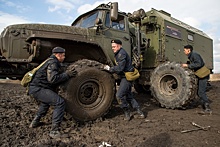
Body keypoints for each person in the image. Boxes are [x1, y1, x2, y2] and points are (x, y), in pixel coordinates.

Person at [28, 47, 77, 138]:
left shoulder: (50, 61)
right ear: (58, 55)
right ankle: (54, 131)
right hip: (38, 89)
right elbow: (52, 79)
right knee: (60, 103)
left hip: (37, 88)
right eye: (63, 55)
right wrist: (67, 75)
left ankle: (35, 122)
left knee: (46, 103)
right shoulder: (53, 63)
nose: (64, 57)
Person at [104, 39, 145, 121]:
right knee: (129, 96)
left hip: (127, 77)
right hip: (125, 76)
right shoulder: (118, 53)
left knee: (119, 95)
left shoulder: (121, 54)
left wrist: (109, 69)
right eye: (112, 47)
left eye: (115, 46)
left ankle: (127, 112)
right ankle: (140, 113)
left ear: (120, 46)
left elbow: (120, 68)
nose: (113, 48)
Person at [181, 45, 211, 114]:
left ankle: (207, 108)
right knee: (198, 92)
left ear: (189, 50)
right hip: (201, 75)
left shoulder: (194, 54)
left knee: (201, 92)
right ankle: (204, 105)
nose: (184, 51)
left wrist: (188, 66)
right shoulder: (192, 55)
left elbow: (198, 64)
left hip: (203, 75)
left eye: (184, 50)